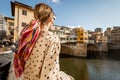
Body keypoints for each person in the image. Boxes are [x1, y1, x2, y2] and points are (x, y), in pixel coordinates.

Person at [14, 3, 74, 80]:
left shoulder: (29, 37)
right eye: (54, 18)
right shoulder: (52, 39)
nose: (53, 21)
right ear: (50, 18)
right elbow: (49, 76)